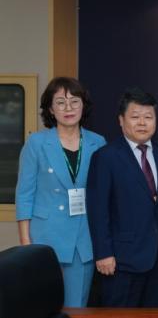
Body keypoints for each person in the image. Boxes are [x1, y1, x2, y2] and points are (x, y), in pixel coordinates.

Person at [15, 77, 106, 307]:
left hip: (83, 239)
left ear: (83, 106)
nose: (68, 108)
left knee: (76, 307)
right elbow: (24, 194)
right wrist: (26, 242)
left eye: (74, 101)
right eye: (60, 102)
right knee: (43, 306)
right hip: (44, 238)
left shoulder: (98, 143)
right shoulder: (36, 143)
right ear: (50, 109)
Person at [87, 87, 158, 306]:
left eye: (148, 117)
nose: (142, 123)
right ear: (121, 120)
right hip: (121, 260)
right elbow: (98, 209)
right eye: (135, 117)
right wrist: (103, 253)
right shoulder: (106, 157)